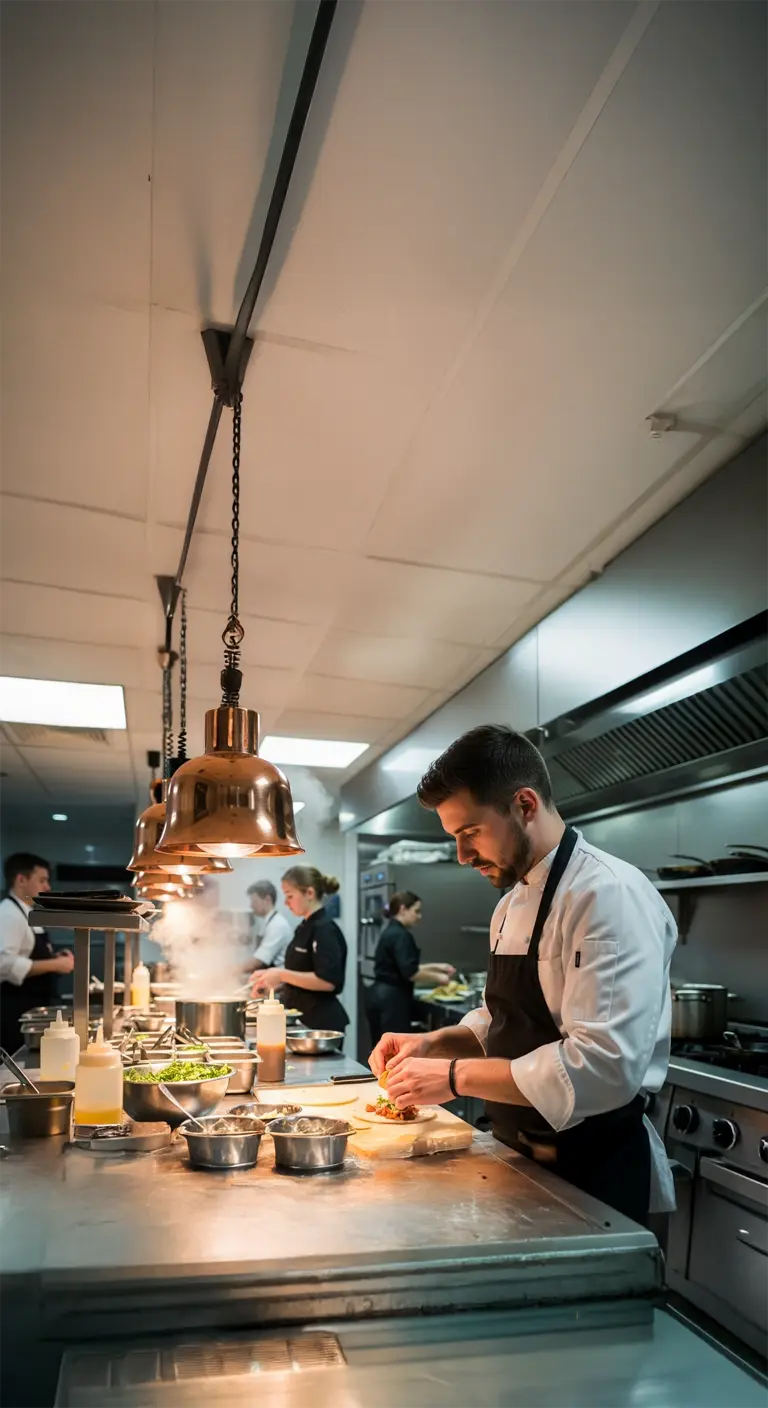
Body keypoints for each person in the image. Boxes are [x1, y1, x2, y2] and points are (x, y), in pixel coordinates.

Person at [369, 725, 677, 1226]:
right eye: (454, 838)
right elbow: (503, 1018)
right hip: (517, 1158)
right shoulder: (510, 904)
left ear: (525, 805)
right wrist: (435, 1043)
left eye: (470, 832)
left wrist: (453, 1077)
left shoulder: (608, 896)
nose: (462, 856)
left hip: (593, 1175)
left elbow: (603, 1068)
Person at [251, 866, 349, 1030]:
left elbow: (327, 981)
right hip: (302, 1017)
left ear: (309, 893)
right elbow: (301, 973)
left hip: (321, 1023)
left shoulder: (325, 929)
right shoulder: (304, 927)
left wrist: (281, 974)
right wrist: (270, 978)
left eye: (290, 896)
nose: (285, 902)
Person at [0, 852, 74, 1053]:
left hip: (32, 1005)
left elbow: (29, 953)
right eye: (42, 880)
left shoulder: (25, 911)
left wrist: (54, 957)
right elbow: (4, 964)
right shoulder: (8, 914)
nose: (47, 887)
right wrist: (55, 965)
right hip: (15, 1009)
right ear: (21, 879)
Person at [366, 892, 455, 1047]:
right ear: (403, 909)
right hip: (392, 999)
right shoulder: (401, 935)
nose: (419, 916)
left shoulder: (390, 931)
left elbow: (402, 965)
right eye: (416, 911)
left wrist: (437, 967)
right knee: (394, 1050)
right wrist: (439, 978)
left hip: (377, 995)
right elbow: (410, 972)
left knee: (381, 1048)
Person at [247, 880, 292, 972]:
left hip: (277, 980)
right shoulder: (268, 921)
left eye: (254, 901)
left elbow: (257, 962)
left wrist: (234, 969)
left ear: (267, 899)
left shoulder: (277, 925)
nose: (251, 906)